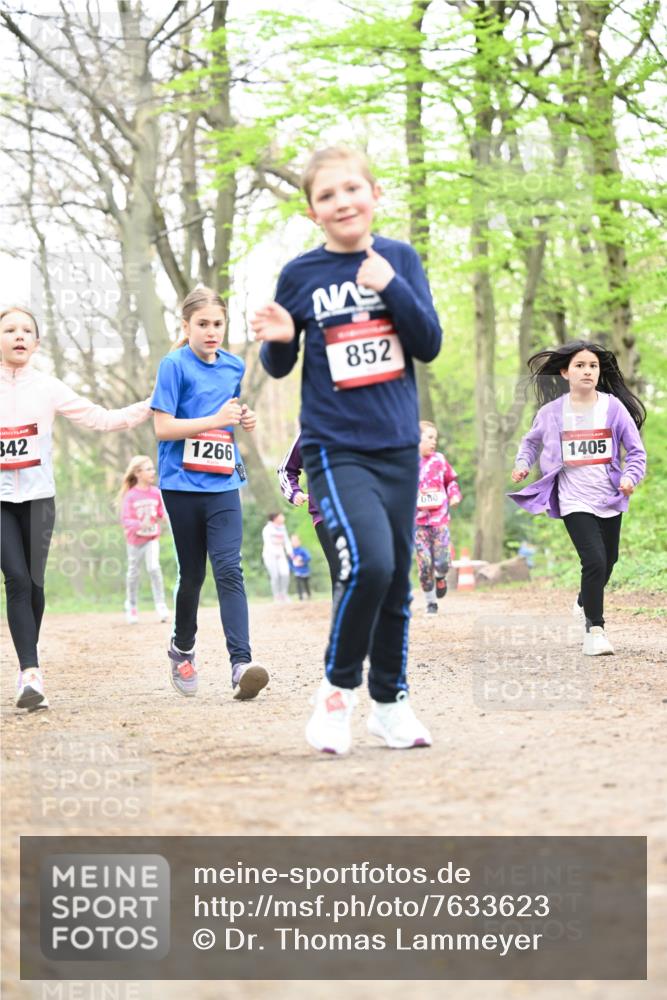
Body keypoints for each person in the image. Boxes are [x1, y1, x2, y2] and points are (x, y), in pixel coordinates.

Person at [252, 145, 442, 754]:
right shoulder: (301, 275)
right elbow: (280, 364)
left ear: (374, 195)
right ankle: (335, 697)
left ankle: (390, 703)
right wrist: (279, 340)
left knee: (395, 583)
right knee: (370, 565)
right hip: (335, 444)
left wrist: (390, 286)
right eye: (327, 196)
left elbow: (428, 342)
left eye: (351, 189)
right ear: (313, 212)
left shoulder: (400, 258)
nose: (342, 202)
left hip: (398, 444)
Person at [0, 306, 151, 711]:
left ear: (36, 341)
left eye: (26, 330)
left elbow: (100, 419)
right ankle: (30, 672)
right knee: (15, 579)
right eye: (9, 329)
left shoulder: (47, 387)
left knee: (34, 584)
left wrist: (153, 404)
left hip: (38, 499)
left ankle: (27, 669)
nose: (18, 335)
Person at [151, 286, 268, 700]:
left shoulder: (233, 366)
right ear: (186, 327)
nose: (211, 331)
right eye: (202, 324)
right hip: (181, 484)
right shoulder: (173, 365)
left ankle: (241, 664)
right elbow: (162, 428)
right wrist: (213, 418)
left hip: (223, 481)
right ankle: (182, 647)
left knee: (229, 567)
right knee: (194, 574)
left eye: (218, 324)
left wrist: (242, 418)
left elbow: (227, 418)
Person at [509, 340, 646, 656]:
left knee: (608, 561)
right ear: (565, 372)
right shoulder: (552, 413)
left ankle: (585, 599)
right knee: (594, 560)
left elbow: (636, 452)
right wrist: (521, 464)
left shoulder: (613, 408)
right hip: (573, 499)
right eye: (580, 365)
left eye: (593, 366)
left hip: (609, 497)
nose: (588, 371)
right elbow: (530, 444)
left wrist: (629, 477)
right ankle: (595, 631)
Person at [277, 432, 339, 589]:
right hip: (326, 513)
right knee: (341, 569)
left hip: (365, 509)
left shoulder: (366, 422)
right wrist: (294, 492)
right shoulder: (310, 431)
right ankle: (345, 613)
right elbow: (286, 469)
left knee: (374, 567)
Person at [415, 420, 461, 614]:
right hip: (417, 523)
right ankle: (430, 602)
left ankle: (441, 576)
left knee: (441, 561)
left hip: (439, 519)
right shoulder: (407, 462)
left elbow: (450, 480)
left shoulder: (440, 460)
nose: (434, 442)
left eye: (436, 438)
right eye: (429, 438)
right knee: (424, 564)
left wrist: (454, 494)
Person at [119, 454, 169, 624]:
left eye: (152, 468)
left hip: (152, 539)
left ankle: (161, 605)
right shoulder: (131, 495)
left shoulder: (156, 492)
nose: (153, 472)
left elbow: (161, 511)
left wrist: (165, 517)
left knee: (154, 568)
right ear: (138, 473)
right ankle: (131, 606)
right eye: (148, 469)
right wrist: (141, 523)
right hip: (135, 541)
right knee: (133, 573)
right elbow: (126, 520)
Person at [261, 512, 292, 602]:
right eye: (281, 516)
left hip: (281, 555)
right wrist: (275, 553)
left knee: (285, 574)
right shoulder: (267, 529)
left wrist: (289, 551)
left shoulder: (283, 528)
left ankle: (284, 594)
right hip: (270, 556)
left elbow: (286, 541)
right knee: (275, 576)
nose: (283, 517)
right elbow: (267, 543)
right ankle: (277, 596)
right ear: (275, 518)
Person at [289, 533, 312, 600]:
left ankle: (309, 594)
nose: (294, 542)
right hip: (297, 571)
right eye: (292, 541)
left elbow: (309, 557)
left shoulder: (303, 550)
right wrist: (293, 568)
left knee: (306, 584)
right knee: (298, 584)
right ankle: (300, 597)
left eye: (296, 541)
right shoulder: (291, 552)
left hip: (305, 571)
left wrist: (302, 560)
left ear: (299, 541)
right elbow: (290, 562)